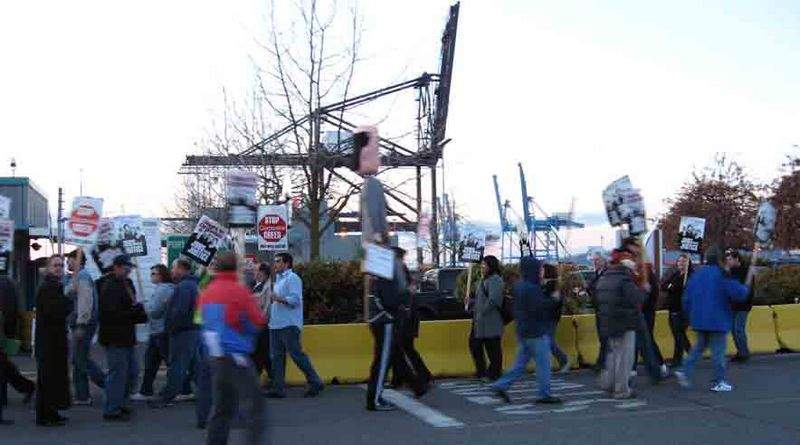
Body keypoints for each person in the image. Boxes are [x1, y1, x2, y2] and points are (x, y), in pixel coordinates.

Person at [198, 251, 266, 445]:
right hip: (236, 355)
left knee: (222, 408)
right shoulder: (239, 291)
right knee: (254, 406)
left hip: (215, 356)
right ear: (236, 267)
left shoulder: (207, 292)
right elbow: (256, 321)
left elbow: (203, 322)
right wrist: (248, 335)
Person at [675, 247, 750, 392]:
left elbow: (686, 298)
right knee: (718, 351)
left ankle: (684, 370)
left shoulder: (697, 274)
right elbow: (738, 293)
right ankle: (719, 381)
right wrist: (745, 288)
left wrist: (689, 314)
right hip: (717, 318)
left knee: (699, 347)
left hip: (699, 318)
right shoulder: (722, 275)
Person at [491, 256, 562, 405]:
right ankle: (544, 394)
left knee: (520, 363)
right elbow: (539, 309)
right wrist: (554, 300)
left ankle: (500, 385)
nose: (542, 271)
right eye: (540, 268)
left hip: (523, 330)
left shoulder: (520, 286)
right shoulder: (533, 288)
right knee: (543, 364)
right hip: (536, 331)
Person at [265, 253, 324, 399]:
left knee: (297, 355)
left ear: (286, 264)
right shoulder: (278, 280)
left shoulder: (293, 279)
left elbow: (295, 300)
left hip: (289, 324)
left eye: (278, 261)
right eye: (275, 261)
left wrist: (278, 298)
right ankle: (278, 387)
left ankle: (315, 381)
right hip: (276, 324)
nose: (275, 264)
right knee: (276, 357)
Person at [98, 255, 147, 421]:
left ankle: (122, 402)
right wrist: (134, 312)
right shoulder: (109, 286)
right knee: (118, 373)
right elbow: (111, 314)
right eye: (126, 267)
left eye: (130, 268)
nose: (129, 271)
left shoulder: (127, 284)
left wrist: (139, 312)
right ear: (117, 267)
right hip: (114, 336)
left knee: (132, 372)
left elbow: (130, 308)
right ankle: (112, 408)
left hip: (126, 335)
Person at [596, 249, 648, 399]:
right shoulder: (625, 280)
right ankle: (621, 389)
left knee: (613, 354)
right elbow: (637, 298)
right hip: (624, 322)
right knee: (625, 357)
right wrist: (643, 290)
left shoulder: (605, 277)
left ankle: (609, 382)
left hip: (608, 321)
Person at [150, 259, 201, 408]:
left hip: (183, 331)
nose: (171, 272)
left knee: (178, 364)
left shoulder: (184, 287)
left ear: (180, 269)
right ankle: (210, 391)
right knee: (194, 366)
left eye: (173, 268)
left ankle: (168, 395)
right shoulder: (192, 285)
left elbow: (180, 311)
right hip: (190, 329)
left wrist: (171, 326)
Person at [620, 237, 666, 382]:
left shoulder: (645, 268)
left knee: (646, 340)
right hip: (635, 309)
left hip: (644, 309)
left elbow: (653, 290)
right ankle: (647, 368)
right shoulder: (628, 266)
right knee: (639, 340)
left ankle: (657, 366)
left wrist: (645, 298)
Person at [65, 249, 106, 406]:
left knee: (79, 358)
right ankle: (82, 394)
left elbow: (85, 302)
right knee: (79, 359)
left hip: (82, 324)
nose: (67, 263)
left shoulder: (82, 277)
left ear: (77, 261)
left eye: (70, 259)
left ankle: (108, 385)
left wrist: (82, 323)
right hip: (80, 323)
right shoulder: (78, 277)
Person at [34, 255, 71, 426]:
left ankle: (52, 412)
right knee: (48, 378)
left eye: (61, 265)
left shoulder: (54, 285)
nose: (59, 268)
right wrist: (68, 300)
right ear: (48, 267)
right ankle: (45, 415)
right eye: (55, 265)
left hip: (53, 338)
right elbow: (54, 312)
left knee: (53, 377)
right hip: (49, 340)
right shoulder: (49, 287)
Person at [390, 247, 432, 391]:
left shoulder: (399, 272)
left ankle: (413, 377)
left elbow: (405, 295)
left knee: (400, 348)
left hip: (406, 317)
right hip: (408, 316)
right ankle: (411, 377)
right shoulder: (402, 271)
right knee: (404, 348)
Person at [131, 265, 175, 401]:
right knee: (151, 362)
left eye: (154, 273)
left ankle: (182, 388)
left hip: (160, 331)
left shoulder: (163, 289)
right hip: (158, 331)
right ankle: (146, 390)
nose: (151, 276)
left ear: (161, 275)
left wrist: (144, 307)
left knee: (167, 362)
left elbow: (155, 311)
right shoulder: (166, 289)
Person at [0, 275, 34, 410]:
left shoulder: (5, 285)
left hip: (3, 330)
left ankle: (24, 388)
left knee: (3, 365)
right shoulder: (8, 283)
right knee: (4, 364)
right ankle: (26, 387)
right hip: (8, 330)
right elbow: (16, 310)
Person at [469, 255, 505, 382]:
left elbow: (493, 300)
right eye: (482, 265)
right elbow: (482, 298)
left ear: (491, 266)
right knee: (475, 345)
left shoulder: (496, 280)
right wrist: (472, 302)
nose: (482, 267)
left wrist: (481, 311)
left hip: (491, 321)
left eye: (484, 265)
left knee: (493, 348)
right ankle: (482, 372)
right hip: (480, 321)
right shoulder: (484, 280)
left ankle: (494, 373)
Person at [661, 253, 694, 366]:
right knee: (677, 334)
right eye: (679, 261)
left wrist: (673, 286)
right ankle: (677, 358)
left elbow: (677, 287)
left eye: (684, 261)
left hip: (682, 309)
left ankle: (690, 352)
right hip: (673, 307)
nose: (681, 263)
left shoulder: (690, 276)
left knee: (679, 333)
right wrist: (671, 286)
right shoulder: (675, 274)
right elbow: (664, 285)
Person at [725, 249, 752, 363]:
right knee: (733, 330)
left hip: (743, 305)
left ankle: (744, 353)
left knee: (738, 329)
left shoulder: (746, 271)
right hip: (733, 305)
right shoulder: (730, 272)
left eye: (730, 259)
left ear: (736, 259)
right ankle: (740, 351)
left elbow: (748, 289)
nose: (728, 262)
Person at [542, 263, 570, 373]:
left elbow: (554, 302)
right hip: (546, 317)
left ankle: (564, 360)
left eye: (542, 270)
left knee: (549, 341)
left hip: (550, 317)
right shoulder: (544, 284)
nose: (540, 272)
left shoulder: (552, 285)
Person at [251, 263, 273, 388]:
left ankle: (271, 378)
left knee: (261, 353)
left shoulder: (268, 287)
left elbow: (266, 307)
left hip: (263, 324)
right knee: (261, 353)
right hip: (257, 324)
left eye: (256, 270)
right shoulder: (258, 286)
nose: (254, 273)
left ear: (263, 273)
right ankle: (272, 377)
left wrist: (261, 321)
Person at [587, 252, 609, 371]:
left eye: (597, 260)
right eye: (594, 260)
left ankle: (602, 363)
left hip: (604, 310)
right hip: (599, 309)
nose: (595, 263)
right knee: (602, 337)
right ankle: (602, 362)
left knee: (605, 337)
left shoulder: (606, 274)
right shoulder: (597, 274)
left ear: (604, 261)